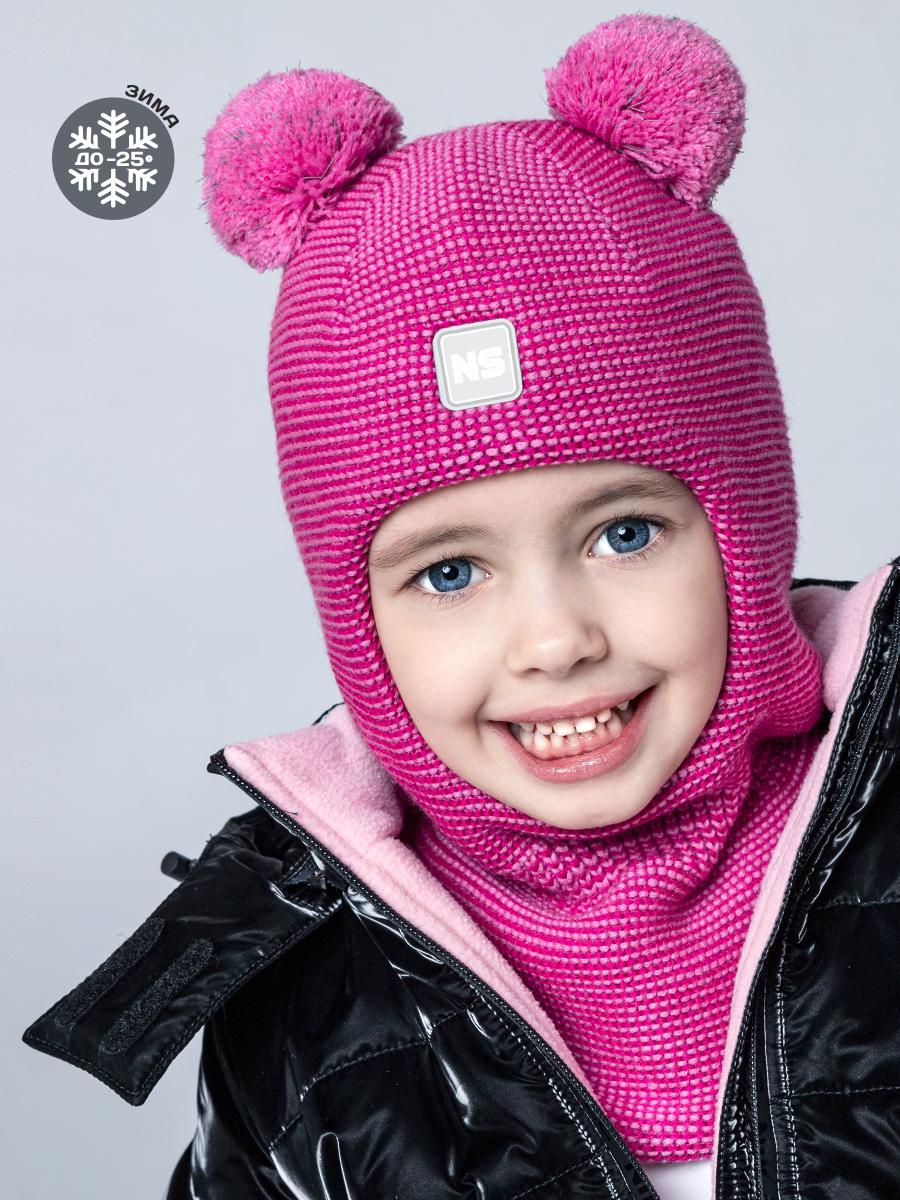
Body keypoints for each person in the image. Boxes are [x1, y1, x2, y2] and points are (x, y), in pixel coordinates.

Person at [21, 12, 900, 1199]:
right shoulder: (299, 1012)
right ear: (359, 621)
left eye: (625, 534)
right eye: (449, 573)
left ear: (744, 530)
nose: (555, 641)